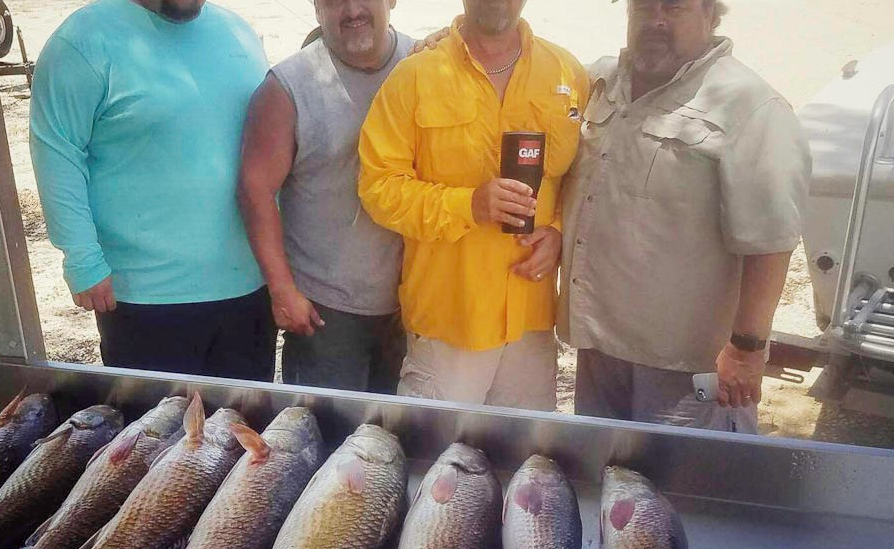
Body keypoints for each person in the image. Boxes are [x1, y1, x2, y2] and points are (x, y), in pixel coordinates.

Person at [558, 0, 810, 431]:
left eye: (674, 8)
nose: (655, 20)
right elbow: (523, 66)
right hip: (599, 349)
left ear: (712, 16)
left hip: (689, 369)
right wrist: (445, 42)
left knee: (688, 490)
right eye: (643, 6)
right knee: (609, 487)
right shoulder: (598, 81)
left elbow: (772, 242)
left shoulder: (752, 106)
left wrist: (747, 350)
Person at [357, 0, 588, 409]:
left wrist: (558, 231)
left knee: (523, 464)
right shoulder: (415, 76)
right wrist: (469, 206)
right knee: (436, 462)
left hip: (531, 326)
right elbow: (378, 187)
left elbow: (583, 181)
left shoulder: (567, 73)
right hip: (449, 324)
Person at [29, 0, 275, 380]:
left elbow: (268, 148)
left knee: (242, 431)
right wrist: (80, 257)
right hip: (145, 297)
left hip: (248, 289)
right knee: (158, 435)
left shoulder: (237, 31)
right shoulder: (82, 41)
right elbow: (57, 152)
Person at [238, 0, 413, 394]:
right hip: (324, 314)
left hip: (415, 305)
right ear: (317, 9)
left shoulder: (426, 64)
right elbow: (256, 190)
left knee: (403, 443)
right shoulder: (287, 87)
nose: (351, 10)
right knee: (329, 442)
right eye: (333, 1)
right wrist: (283, 291)